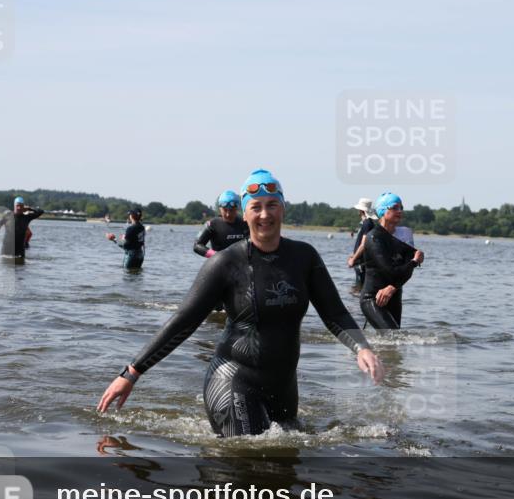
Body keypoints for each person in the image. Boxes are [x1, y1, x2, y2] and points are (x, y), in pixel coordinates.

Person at [98, 169, 384, 437]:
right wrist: (132, 372)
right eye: (256, 207)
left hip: (284, 386)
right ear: (245, 214)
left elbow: (334, 312)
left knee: (284, 470)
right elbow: (183, 322)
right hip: (234, 380)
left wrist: (361, 348)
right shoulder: (225, 263)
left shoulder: (304, 257)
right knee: (255, 465)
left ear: (283, 208)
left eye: (272, 205)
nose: (264, 214)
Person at [359, 192, 424, 330]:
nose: (399, 211)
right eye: (395, 207)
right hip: (373, 298)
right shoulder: (374, 237)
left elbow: (408, 268)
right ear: (383, 210)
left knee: (394, 341)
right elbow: (391, 271)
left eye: (401, 207)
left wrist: (393, 287)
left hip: (393, 296)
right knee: (392, 338)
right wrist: (414, 261)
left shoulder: (403, 235)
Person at [193, 190, 248, 257]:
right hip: (220, 265)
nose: (228, 214)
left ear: (237, 208)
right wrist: (217, 256)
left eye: (231, 210)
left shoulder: (246, 223)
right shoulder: (212, 224)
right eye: (225, 210)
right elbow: (197, 246)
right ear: (220, 209)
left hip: (242, 264)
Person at [347, 197, 377, 287]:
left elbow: (364, 244)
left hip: (363, 263)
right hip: (361, 261)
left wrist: (353, 259)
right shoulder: (366, 223)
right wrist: (354, 255)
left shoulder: (367, 223)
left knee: (359, 288)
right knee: (357, 289)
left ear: (361, 210)